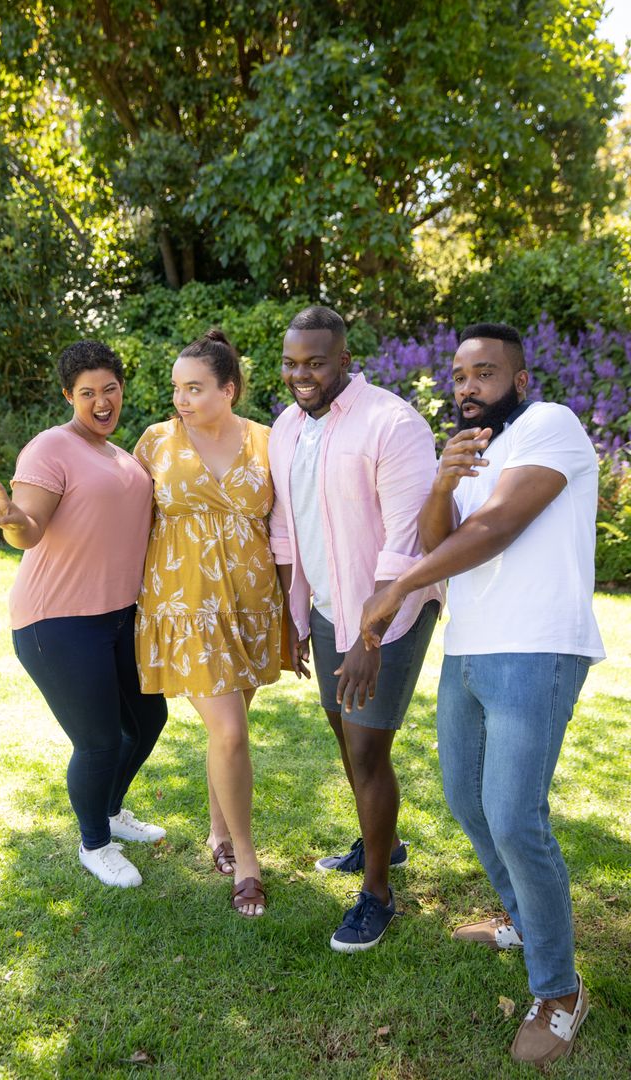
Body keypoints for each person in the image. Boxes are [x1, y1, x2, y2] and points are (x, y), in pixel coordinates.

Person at [360, 322, 604, 1066]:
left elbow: (497, 527)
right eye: (460, 375)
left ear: (519, 381)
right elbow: (444, 539)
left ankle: (559, 990)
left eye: (485, 374)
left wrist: (397, 588)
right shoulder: (473, 447)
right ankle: (526, 922)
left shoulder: (550, 425)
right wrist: (441, 482)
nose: (468, 387)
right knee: (468, 802)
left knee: (514, 816)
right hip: (469, 646)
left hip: (536, 647)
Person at [268, 306, 443, 952]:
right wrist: (292, 616)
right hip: (324, 608)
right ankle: (382, 844)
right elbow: (286, 529)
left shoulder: (392, 423)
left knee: (368, 750)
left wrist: (370, 637)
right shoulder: (286, 427)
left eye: (316, 363)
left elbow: (406, 541)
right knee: (344, 733)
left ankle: (378, 894)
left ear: (344, 359)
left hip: (389, 611)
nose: (301, 375)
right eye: (291, 363)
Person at [0, 341, 168, 889]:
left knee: (147, 720)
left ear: (122, 388)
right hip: (56, 621)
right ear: (68, 396)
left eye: (110, 389)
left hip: (118, 617)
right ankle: (94, 844)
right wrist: (11, 518)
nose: (101, 402)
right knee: (99, 741)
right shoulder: (50, 448)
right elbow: (29, 529)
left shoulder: (119, 454)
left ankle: (110, 811)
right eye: (87, 393)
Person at [134, 329, 283, 917]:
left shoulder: (269, 440)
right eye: (177, 388)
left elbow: (289, 528)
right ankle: (246, 860)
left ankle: (218, 833)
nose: (181, 399)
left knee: (229, 728)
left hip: (251, 605)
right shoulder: (156, 442)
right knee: (229, 730)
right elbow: (120, 515)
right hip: (184, 605)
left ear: (229, 389)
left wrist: (296, 611)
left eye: (194, 388)